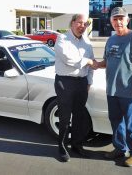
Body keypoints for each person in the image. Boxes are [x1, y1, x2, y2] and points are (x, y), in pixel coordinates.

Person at [93, 7, 132, 167]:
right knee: (116, 122)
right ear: (111, 21)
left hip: (129, 91)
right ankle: (120, 148)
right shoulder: (111, 40)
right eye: (114, 19)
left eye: (121, 18)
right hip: (112, 90)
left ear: (127, 20)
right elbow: (107, 62)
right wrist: (96, 64)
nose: (118, 22)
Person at [54, 14, 95, 162]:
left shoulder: (87, 42)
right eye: (79, 23)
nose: (82, 26)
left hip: (81, 83)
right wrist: (89, 61)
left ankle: (77, 145)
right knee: (65, 117)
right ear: (72, 23)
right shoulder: (62, 39)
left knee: (80, 116)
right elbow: (69, 59)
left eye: (85, 24)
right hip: (65, 82)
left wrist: (89, 82)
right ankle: (62, 147)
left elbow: (91, 66)